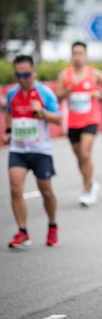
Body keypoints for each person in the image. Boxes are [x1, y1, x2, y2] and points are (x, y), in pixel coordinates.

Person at [4, 55, 62, 248]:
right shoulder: (12, 94)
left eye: (26, 75)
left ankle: (52, 226)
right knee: (15, 188)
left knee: (46, 191)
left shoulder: (45, 93)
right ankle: (22, 232)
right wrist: (8, 132)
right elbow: (9, 114)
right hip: (18, 149)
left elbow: (59, 119)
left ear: (34, 73)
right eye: (18, 75)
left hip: (40, 150)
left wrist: (42, 112)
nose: (22, 79)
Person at [56, 41, 102, 206]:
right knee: (80, 158)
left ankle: (86, 191)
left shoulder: (94, 73)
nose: (77, 57)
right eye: (75, 53)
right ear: (71, 56)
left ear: (86, 55)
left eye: (80, 53)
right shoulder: (65, 75)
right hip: (72, 123)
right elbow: (57, 97)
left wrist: (100, 93)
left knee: (85, 154)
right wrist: (69, 89)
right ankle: (91, 184)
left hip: (90, 120)